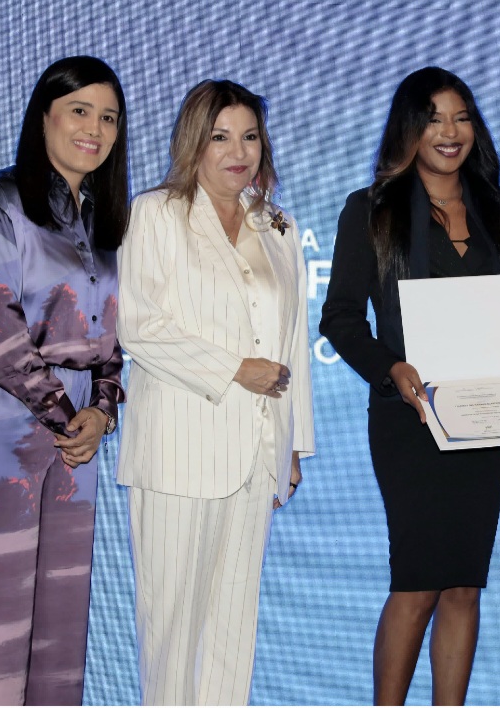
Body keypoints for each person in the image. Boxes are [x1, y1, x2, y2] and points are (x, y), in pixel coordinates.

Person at [319, 66, 500, 705]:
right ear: (409, 128)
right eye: (434, 118)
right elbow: (340, 318)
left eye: (462, 117)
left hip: (490, 415)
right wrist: (392, 369)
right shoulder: (372, 210)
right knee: (416, 583)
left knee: (465, 584)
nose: (450, 132)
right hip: (409, 420)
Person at [0, 55, 129, 705]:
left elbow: (110, 338)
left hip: (75, 435)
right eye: (79, 111)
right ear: (42, 115)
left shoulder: (102, 223)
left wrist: (100, 409)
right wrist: (63, 412)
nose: (94, 129)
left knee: (57, 635)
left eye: (109, 117)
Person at [115, 79, 314, 706]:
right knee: (172, 631)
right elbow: (139, 325)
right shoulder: (157, 213)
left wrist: (294, 444)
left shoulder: (279, 227)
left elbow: (291, 345)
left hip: (257, 453)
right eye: (221, 136)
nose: (239, 150)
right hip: (179, 451)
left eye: (250, 136)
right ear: (193, 142)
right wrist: (233, 368)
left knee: (234, 630)